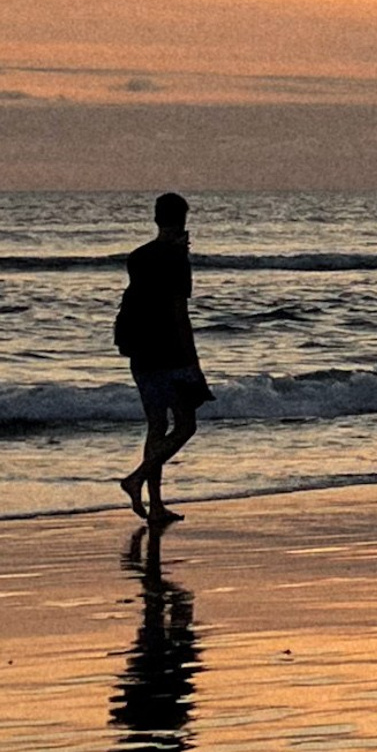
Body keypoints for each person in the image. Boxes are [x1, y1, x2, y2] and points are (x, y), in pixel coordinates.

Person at [115, 191, 205, 522]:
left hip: (140, 352)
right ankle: (137, 478)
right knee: (186, 425)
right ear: (183, 220)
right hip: (170, 353)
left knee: (156, 425)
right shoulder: (176, 259)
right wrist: (194, 363)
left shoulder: (138, 257)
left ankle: (155, 505)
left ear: (156, 219)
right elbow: (179, 313)